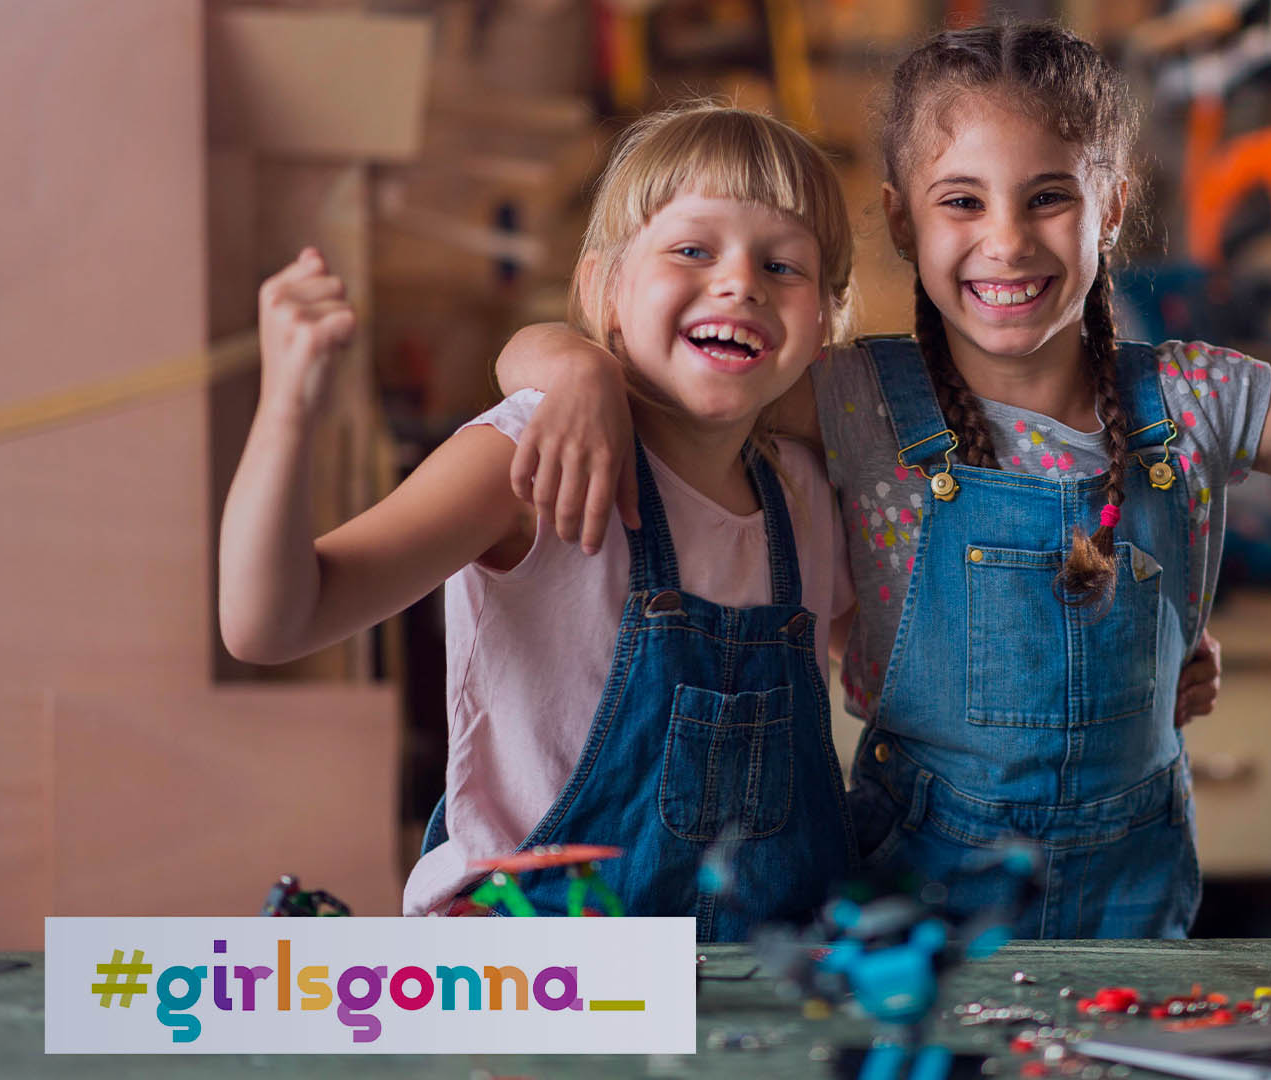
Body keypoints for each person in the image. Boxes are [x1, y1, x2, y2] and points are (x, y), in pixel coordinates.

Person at [492, 24, 1271, 938]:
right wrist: (569, 366)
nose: (1006, 240)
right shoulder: (852, 398)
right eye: (962, 200)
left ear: (1112, 207)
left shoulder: (1197, 399)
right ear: (903, 220)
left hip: (1133, 915)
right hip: (910, 917)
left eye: (1049, 197)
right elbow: (646, 360)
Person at [217, 106, 863, 940]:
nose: (740, 282)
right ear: (605, 292)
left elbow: (886, 671)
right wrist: (287, 407)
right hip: (539, 977)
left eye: (782, 265)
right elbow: (271, 624)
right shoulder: (522, 461)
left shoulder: (805, 499)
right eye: (692, 250)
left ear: (823, 327)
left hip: (758, 990)